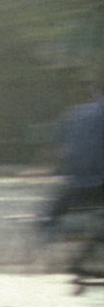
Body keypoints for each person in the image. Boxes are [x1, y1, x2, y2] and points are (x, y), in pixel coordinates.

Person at [41, 82, 104, 232]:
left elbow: (58, 146)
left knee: (65, 199)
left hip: (75, 175)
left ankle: (48, 223)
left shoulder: (74, 113)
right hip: (97, 175)